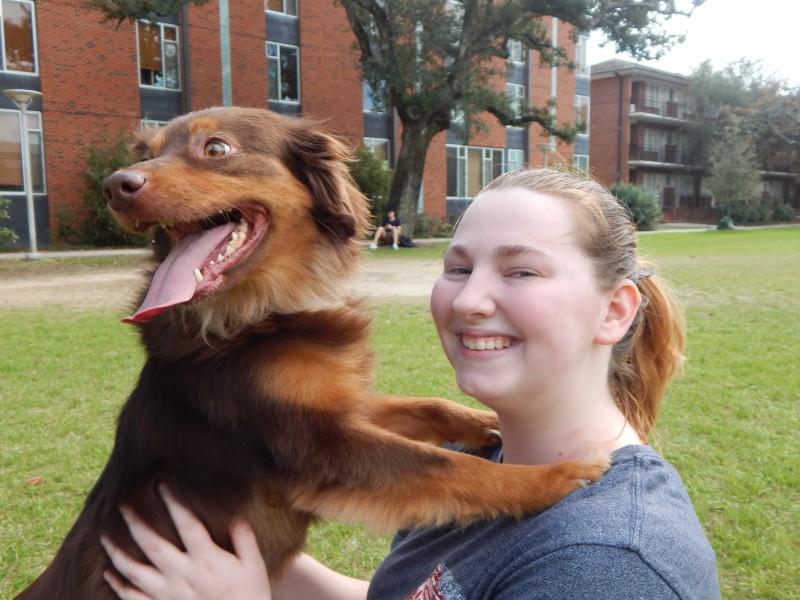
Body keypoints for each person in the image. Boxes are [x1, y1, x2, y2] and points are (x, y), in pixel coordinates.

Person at [101, 167, 720, 599]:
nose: (471, 299)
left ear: (614, 310)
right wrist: (270, 574)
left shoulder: (607, 566)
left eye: (521, 271)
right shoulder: (472, 458)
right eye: (457, 267)